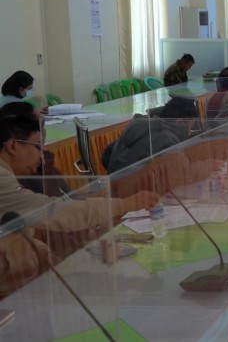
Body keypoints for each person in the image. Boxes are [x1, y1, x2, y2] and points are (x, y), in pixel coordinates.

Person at [0, 115, 158, 297]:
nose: (42, 156)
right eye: (37, 146)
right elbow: (54, 212)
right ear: (13, 146)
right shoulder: (3, 180)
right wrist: (125, 204)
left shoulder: (10, 177)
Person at [105, 97, 199, 173]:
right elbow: (183, 173)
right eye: (189, 128)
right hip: (134, 189)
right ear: (180, 122)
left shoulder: (142, 126)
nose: (190, 132)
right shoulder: (168, 141)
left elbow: (106, 155)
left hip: (115, 185)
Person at [0, 102, 69, 197]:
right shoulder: (25, 173)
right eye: (41, 125)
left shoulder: (41, 163)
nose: (44, 131)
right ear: (13, 146)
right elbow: (55, 203)